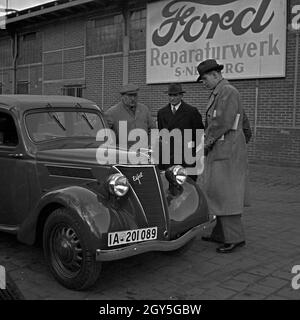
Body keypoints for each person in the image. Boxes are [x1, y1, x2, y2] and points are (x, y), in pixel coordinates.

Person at [196, 59, 248, 253]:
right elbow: (243, 121)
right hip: (224, 148)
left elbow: (221, 122)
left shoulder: (227, 92)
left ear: (216, 75)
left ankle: (235, 238)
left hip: (225, 150)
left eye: (205, 78)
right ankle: (220, 234)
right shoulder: (221, 92)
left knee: (227, 194)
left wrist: (206, 143)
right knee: (218, 193)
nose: (203, 83)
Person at [157, 83, 204, 181]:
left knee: (188, 184)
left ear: (181, 96)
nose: (172, 98)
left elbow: (199, 133)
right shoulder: (161, 113)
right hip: (169, 156)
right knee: (169, 184)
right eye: (170, 95)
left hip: (186, 156)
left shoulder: (191, 111)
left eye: (175, 95)